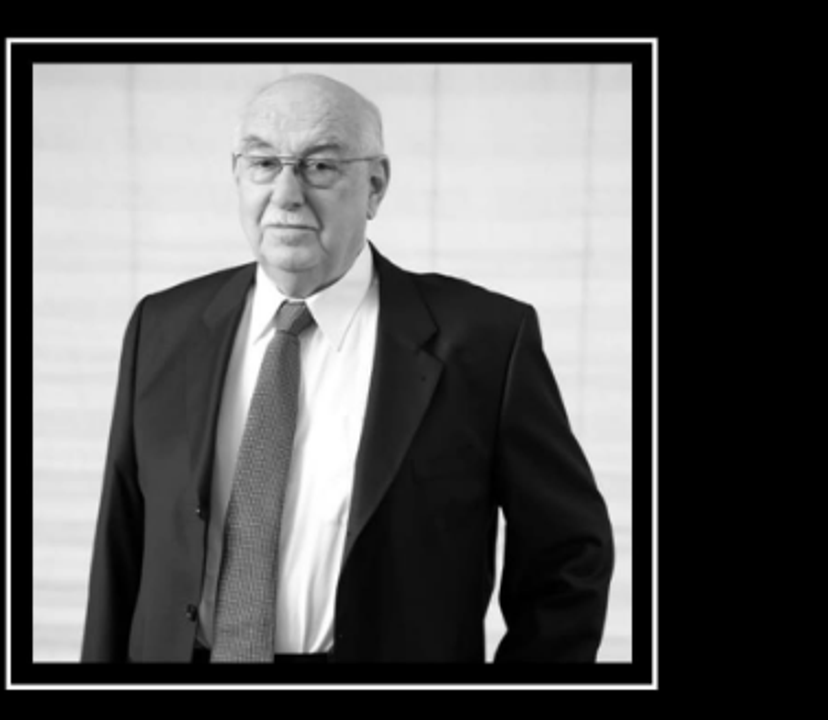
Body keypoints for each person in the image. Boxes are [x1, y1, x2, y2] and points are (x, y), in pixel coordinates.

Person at [80, 73, 614, 663]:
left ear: (375, 186)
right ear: (237, 175)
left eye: (320, 166)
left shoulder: (485, 341)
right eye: (263, 163)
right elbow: (120, 547)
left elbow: (569, 555)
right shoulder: (163, 327)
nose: (286, 194)